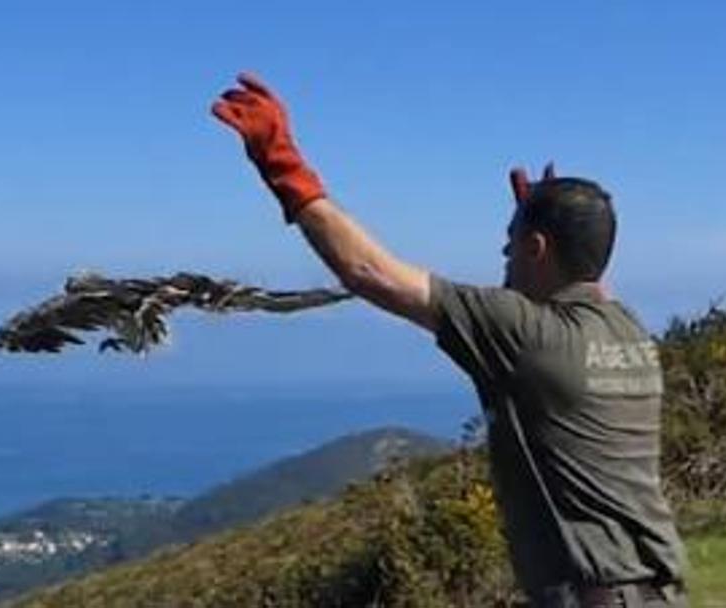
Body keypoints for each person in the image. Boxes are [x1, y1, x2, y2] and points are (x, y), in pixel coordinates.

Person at [211, 73, 688, 608]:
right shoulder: (628, 329)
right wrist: (548, 218)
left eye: (511, 247)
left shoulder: (524, 335)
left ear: (536, 248)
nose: (502, 259)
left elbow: (369, 271)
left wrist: (282, 162)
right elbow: (585, 274)